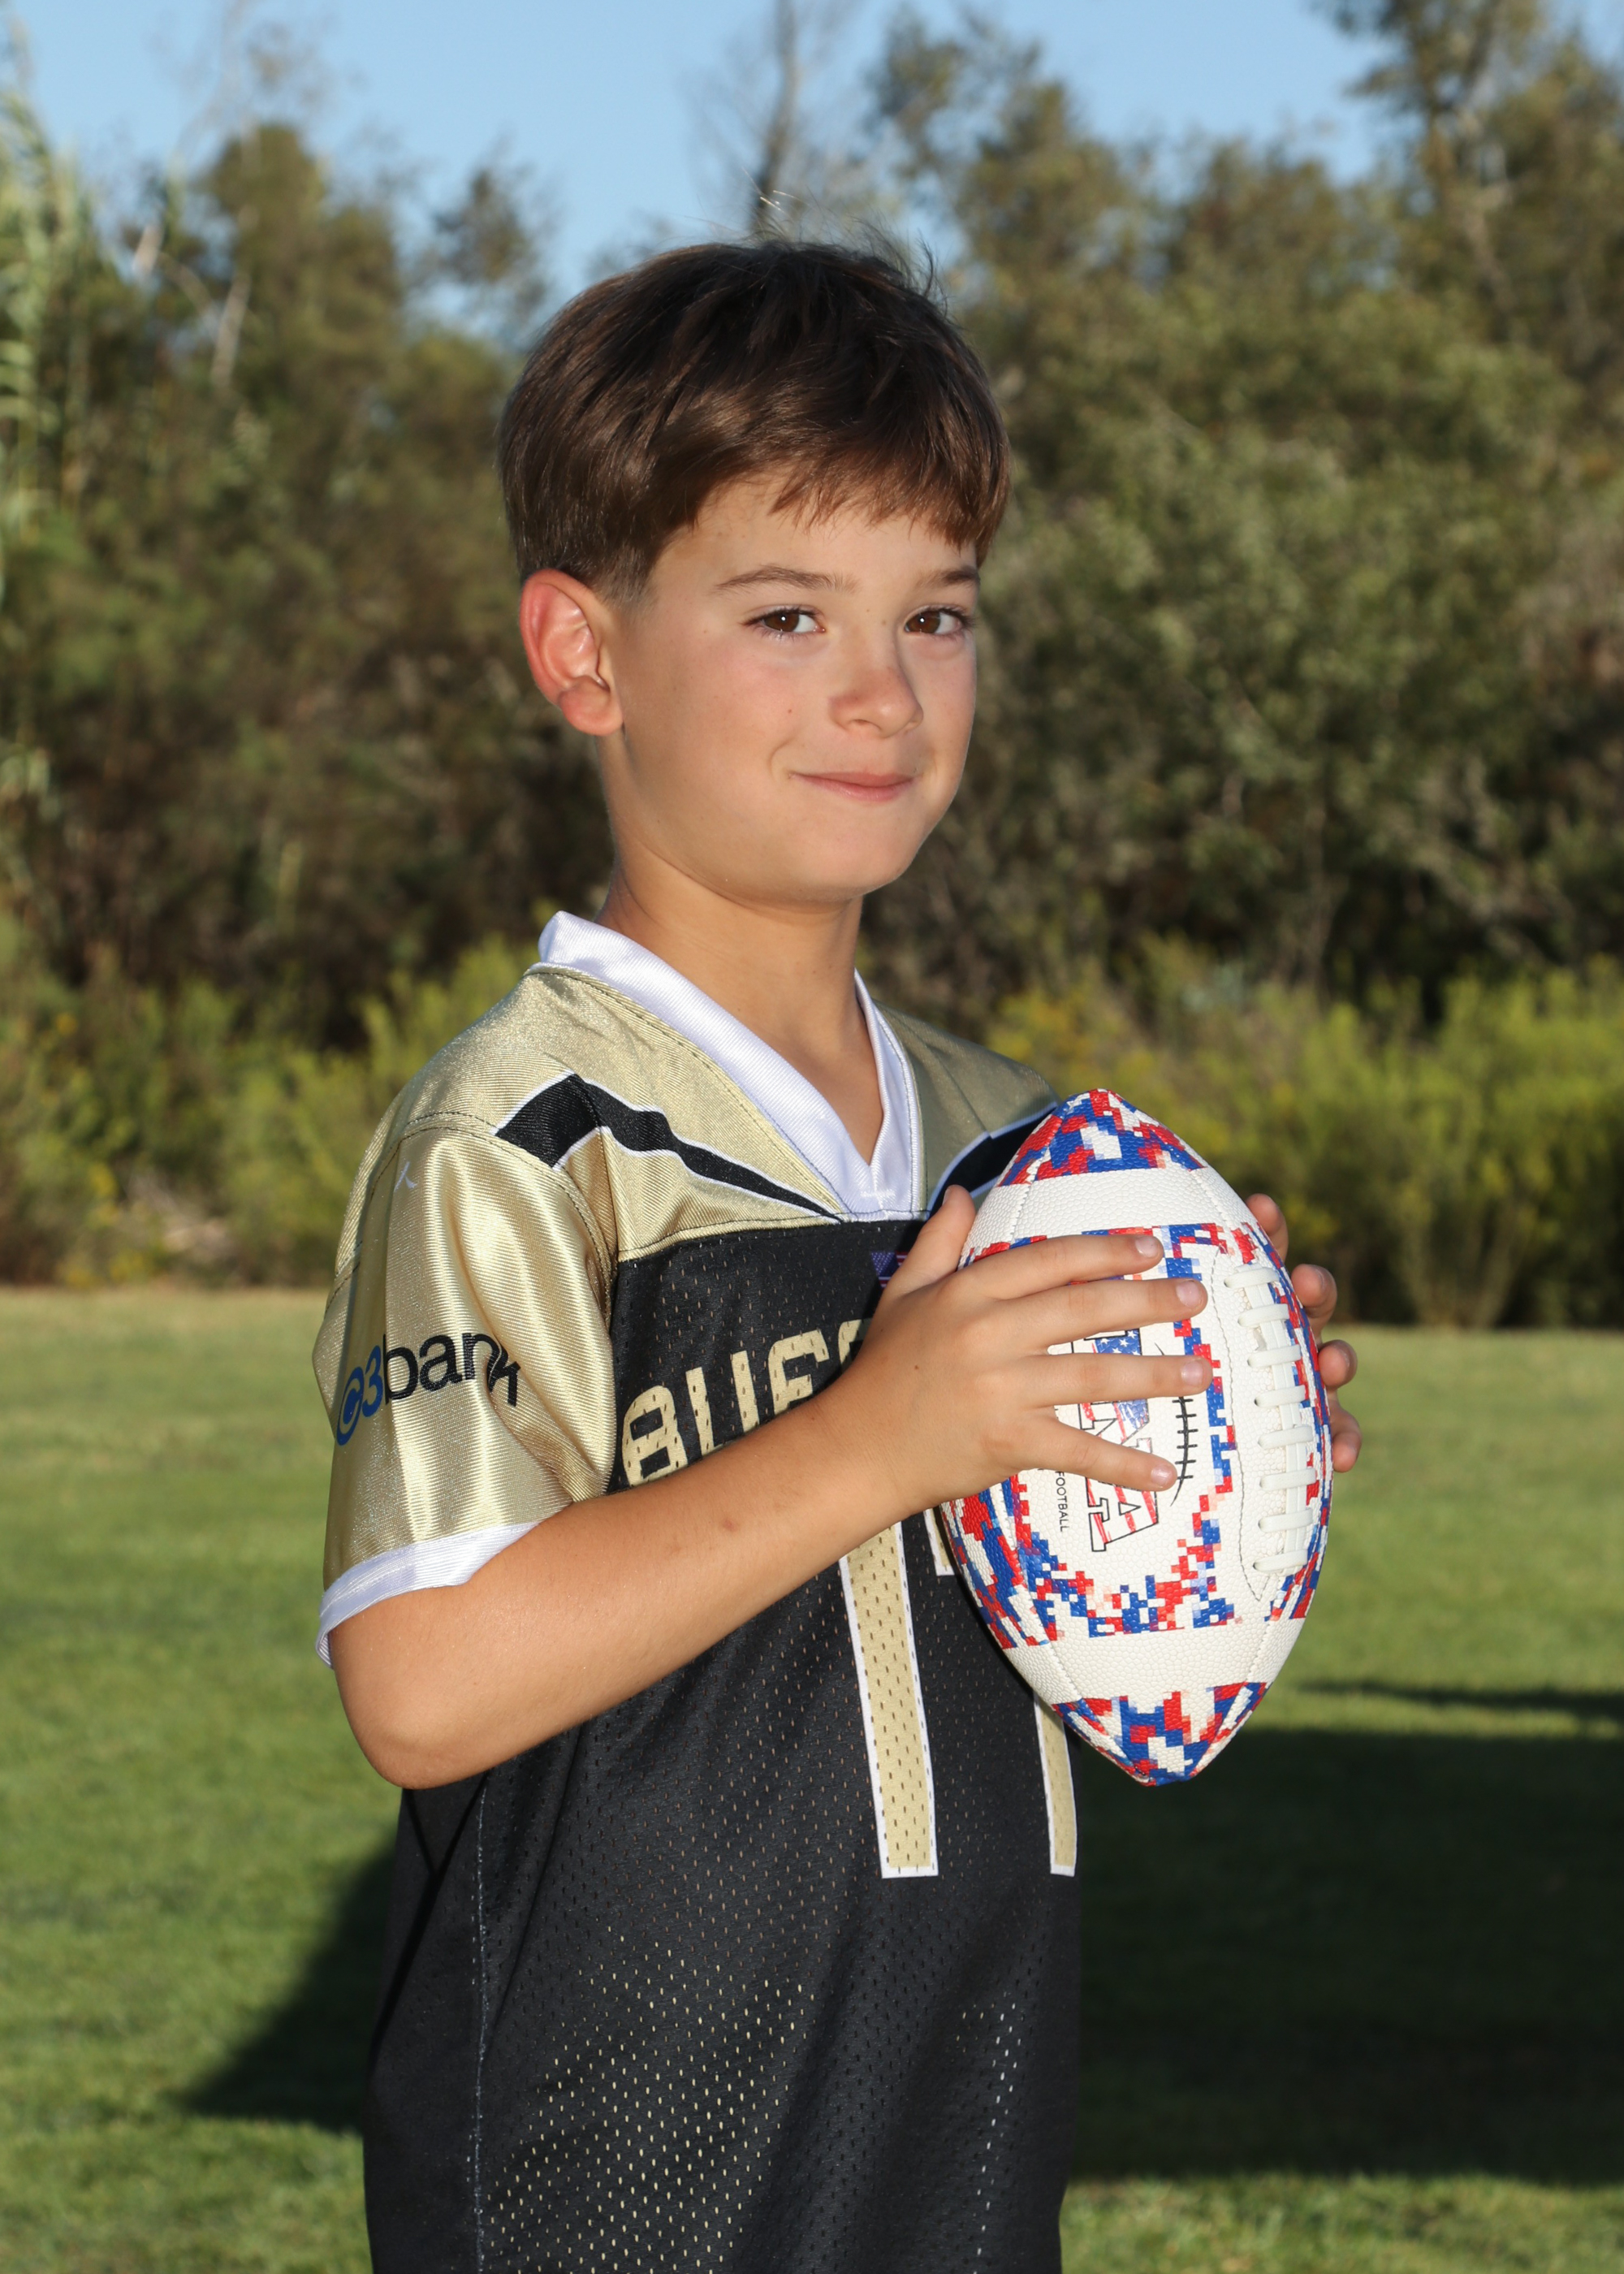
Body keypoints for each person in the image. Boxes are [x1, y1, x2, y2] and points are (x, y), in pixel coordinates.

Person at [314, 240, 1361, 2273]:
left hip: (953, 2152)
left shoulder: (1021, 1143)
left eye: (934, 613)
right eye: (788, 613)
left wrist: (1210, 1439)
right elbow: (425, 1682)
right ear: (584, 654)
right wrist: (887, 1432)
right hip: (612, 2189)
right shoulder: (521, 1135)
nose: (881, 690)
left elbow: (1083, 1616)